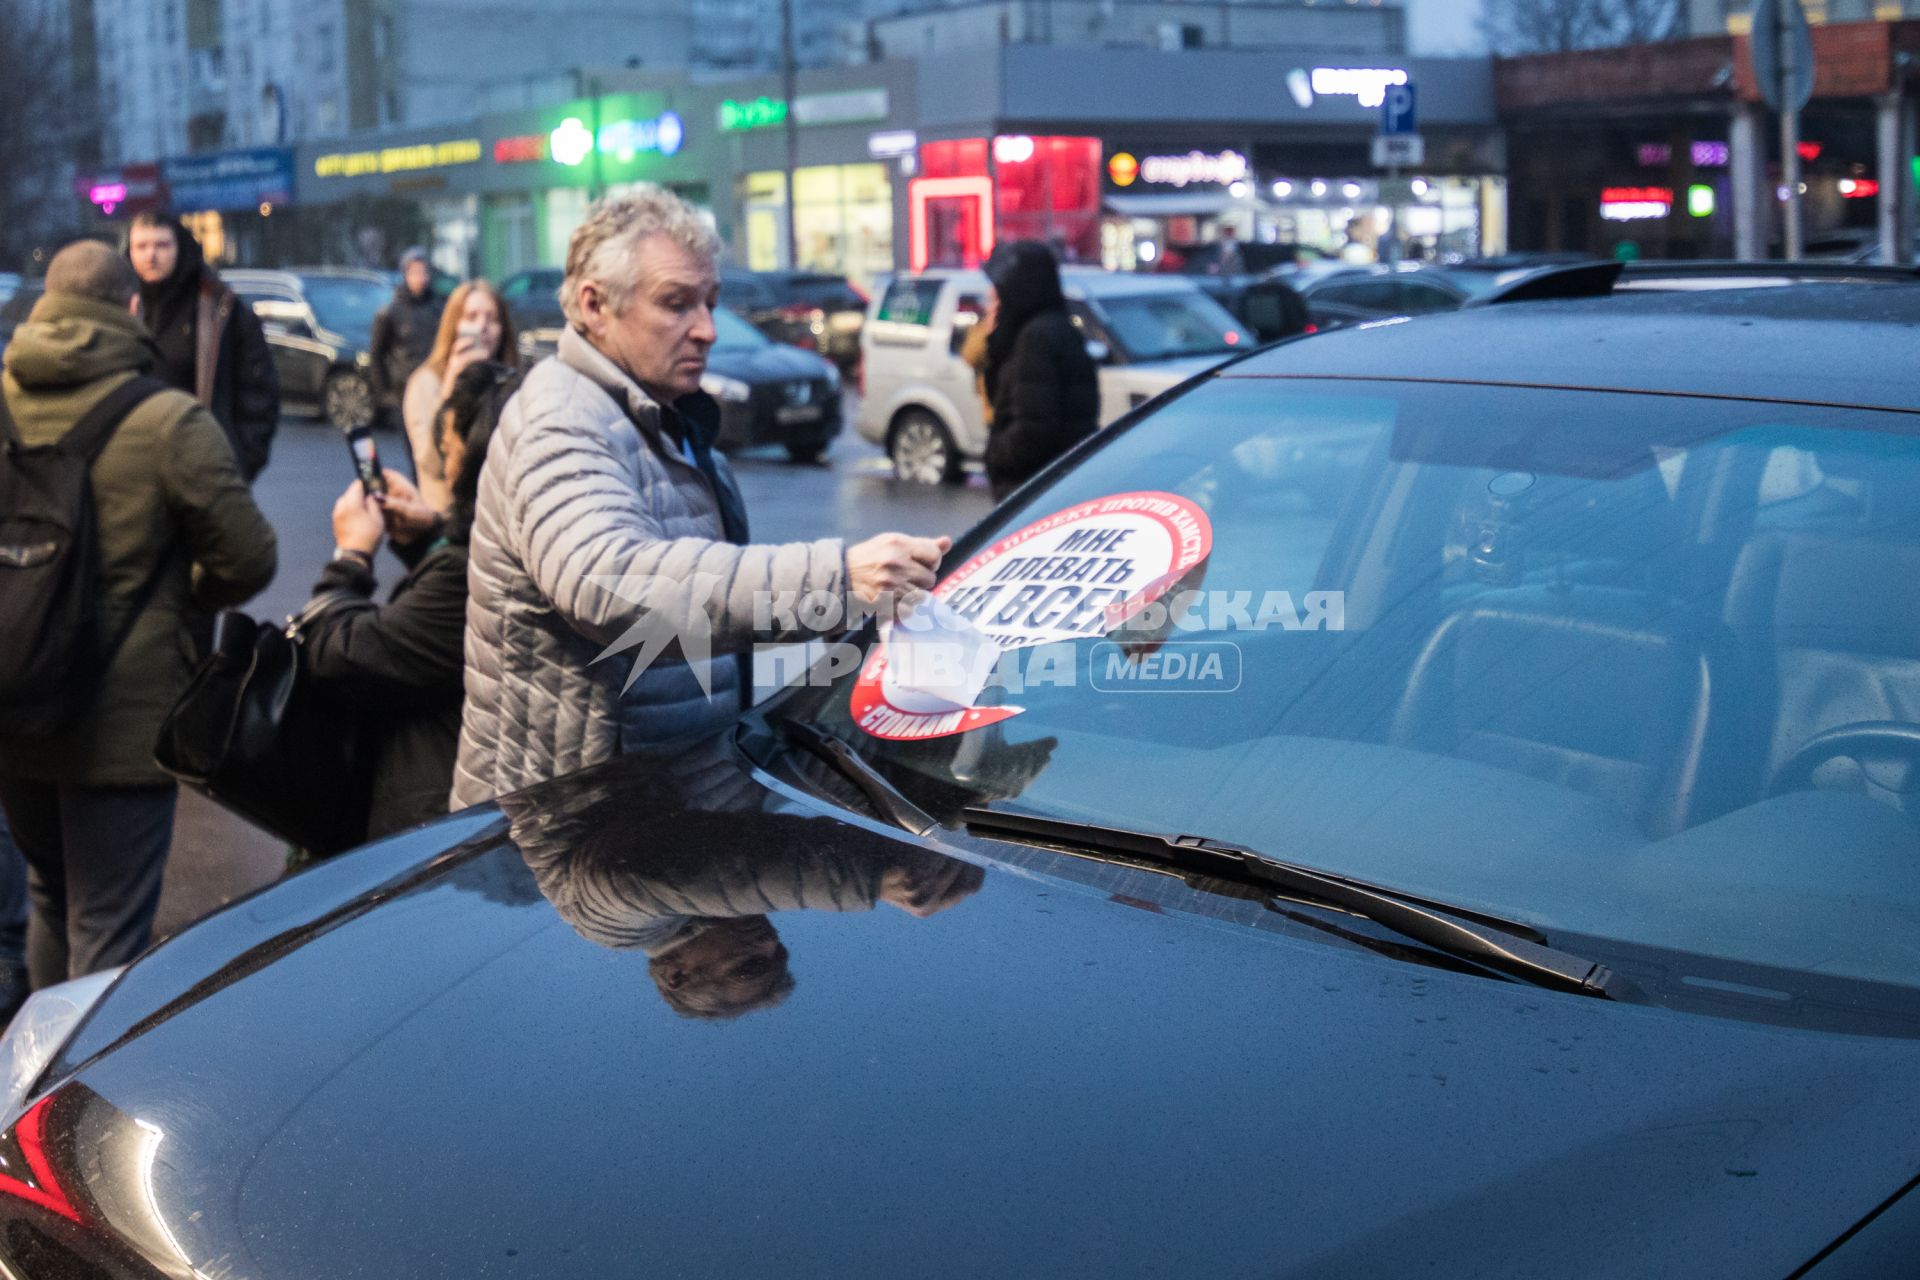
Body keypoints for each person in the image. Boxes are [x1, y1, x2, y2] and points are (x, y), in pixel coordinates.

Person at [451, 187, 950, 810]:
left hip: (658, 819)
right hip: (567, 842)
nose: (707, 330)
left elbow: (714, 619)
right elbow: (613, 584)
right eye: (675, 303)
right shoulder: (559, 417)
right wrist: (839, 578)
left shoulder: (658, 416)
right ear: (594, 305)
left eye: (710, 303)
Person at [0, 241, 276, 988]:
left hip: (14, 704)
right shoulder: (168, 424)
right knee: (108, 931)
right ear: (130, 308)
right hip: (120, 725)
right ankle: (71, 1100)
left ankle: (26, 1085)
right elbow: (249, 559)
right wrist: (177, 598)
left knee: (48, 896)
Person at [296, 361, 514, 842]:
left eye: (451, 452)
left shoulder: (466, 578)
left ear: (482, 461)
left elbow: (342, 654)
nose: (444, 467)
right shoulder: (511, 554)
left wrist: (351, 556)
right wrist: (429, 535)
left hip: (433, 825)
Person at [125, 211, 280, 481]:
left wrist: (241, 462)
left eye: (162, 245)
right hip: (134, 472)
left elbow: (259, 390)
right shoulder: (119, 307)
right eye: (141, 246)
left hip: (203, 468)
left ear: (180, 248)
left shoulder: (220, 309)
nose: (151, 255)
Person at [981, 240, 1100, 503]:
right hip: (1052, 485)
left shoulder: (1036, 339)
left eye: (999, 287)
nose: (992, 295)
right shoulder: (1045, 329)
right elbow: (1001, 398)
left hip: (1034, 493)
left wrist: (996, 457)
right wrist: (996, 340)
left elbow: (1034, 429)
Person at [401, 279, 517, 514]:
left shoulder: (511, 382)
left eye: (492, 319)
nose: (482, 326)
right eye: (471, 317)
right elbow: (430, 465)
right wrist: (450, 389)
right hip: (448, 523)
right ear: (454, 326)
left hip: (500, 520)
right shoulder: (427, 382)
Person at [367, 247, 440, 431]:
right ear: (405, 275)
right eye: (415, 273)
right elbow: (376, 356)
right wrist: (384, 394)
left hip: (436, 391)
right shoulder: (390, 313)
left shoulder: (438, 310)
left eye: (424, 272)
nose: (421, 278)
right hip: (405, 393)